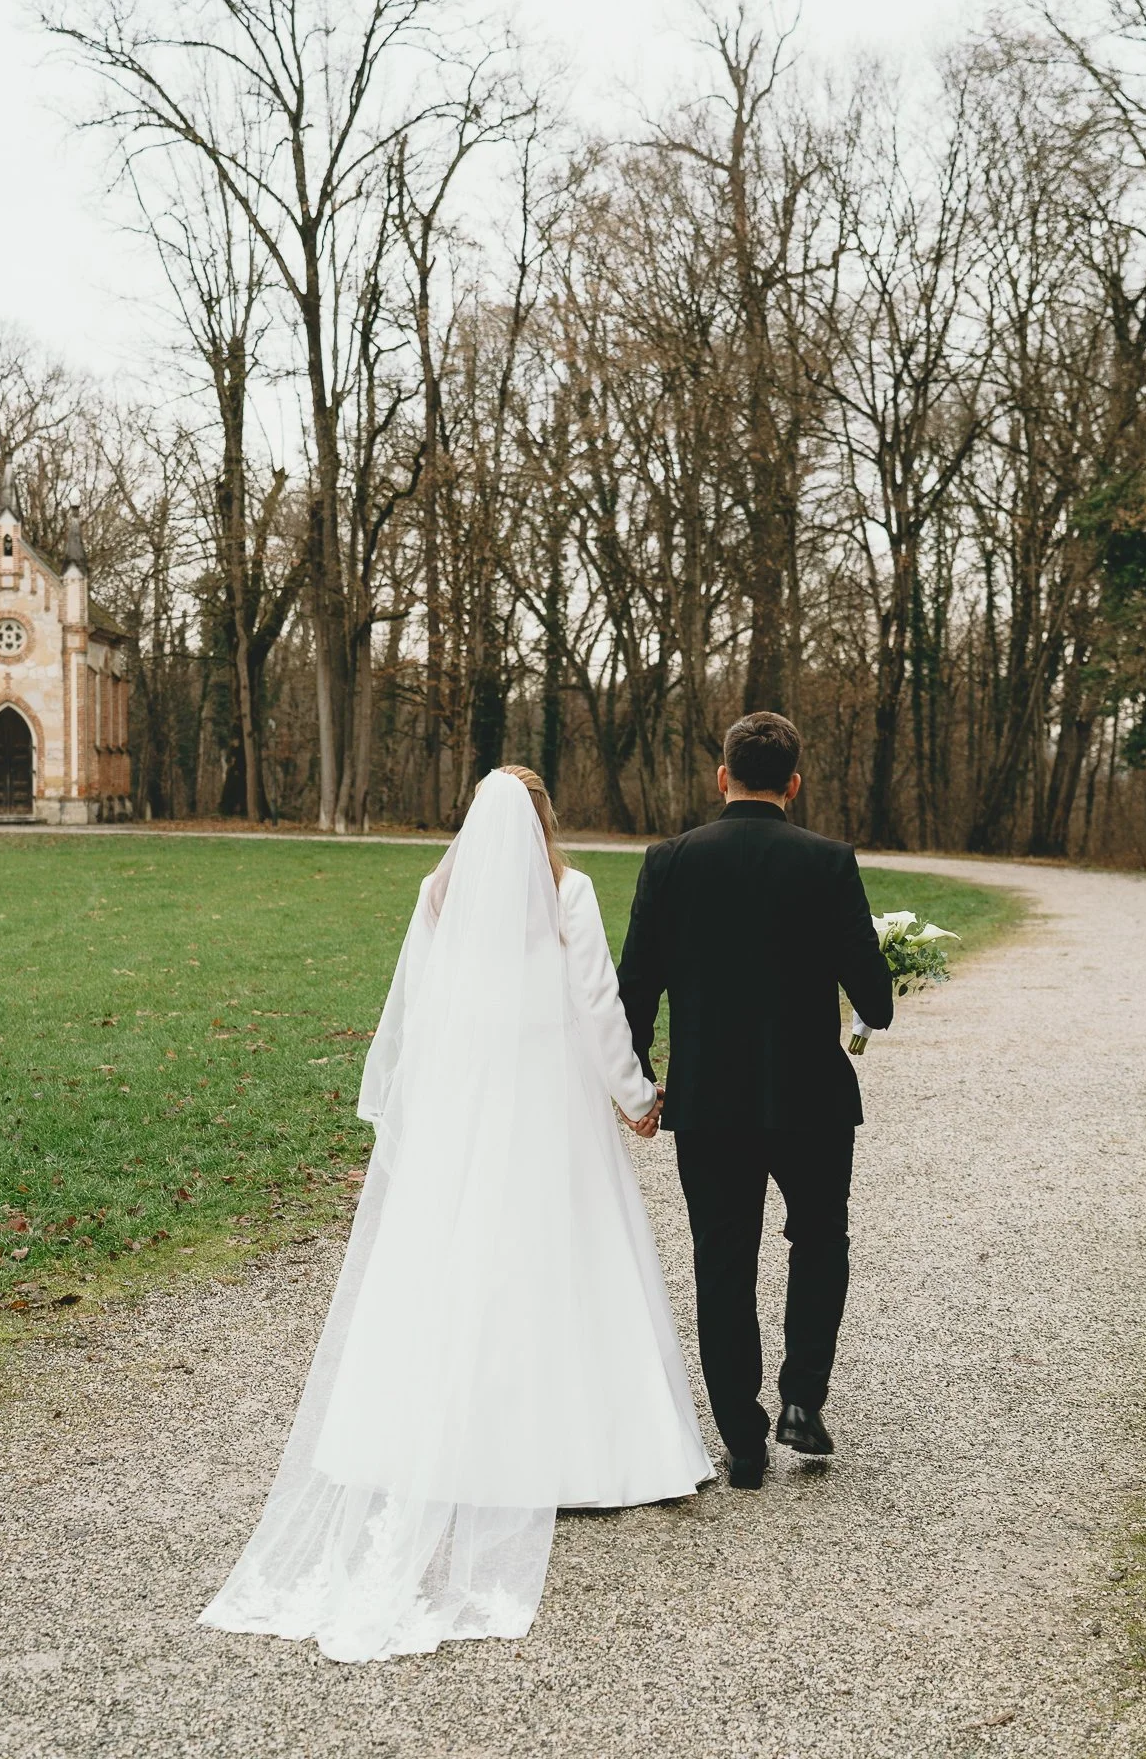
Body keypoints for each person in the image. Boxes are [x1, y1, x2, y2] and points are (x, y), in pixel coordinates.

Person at [199, 765, 711, 1662]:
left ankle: (429, 1438)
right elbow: (597, 1003)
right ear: (546, 821)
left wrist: (433, 1106)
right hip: (548, 1100)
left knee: (452, 1260)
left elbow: (420, 1013)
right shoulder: (571, 889)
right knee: (562, 1258)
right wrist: (633, 1094)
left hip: (466, 1105)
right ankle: (582, 1452)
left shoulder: (439, 892)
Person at [616, 711, 893, 1491]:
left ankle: (741, 1439)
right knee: (819, 1241)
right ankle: (802, 1400)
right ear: (794, 784)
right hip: (812, 1101)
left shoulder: (668, 863)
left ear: (722, 777)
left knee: (722, 1264)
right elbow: (876, 997)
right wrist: (879, 966)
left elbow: (633, 992)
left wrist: (638, 1086)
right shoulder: (829, 862)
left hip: (709, 1104)